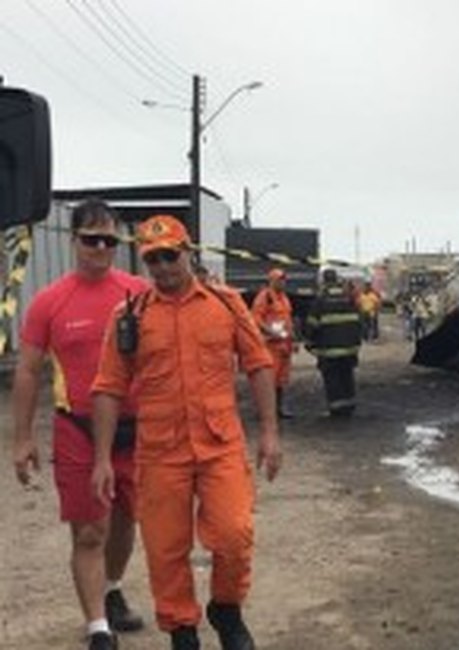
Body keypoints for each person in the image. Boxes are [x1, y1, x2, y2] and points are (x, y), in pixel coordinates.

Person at [89, 214, 283, 650]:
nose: (162, 266)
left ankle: (227, 609)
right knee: (165, 549)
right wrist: (102, 458)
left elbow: (259, 364)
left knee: (233, 535)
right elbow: (108, 387)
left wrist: (270, 432)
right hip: (160, 451)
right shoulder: (130, 316)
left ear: (188, 253)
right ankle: (182, 629)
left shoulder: (226, 303)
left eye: (169, 255)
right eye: (152, 259)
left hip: (220, 445)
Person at [11, 199, 147, 650]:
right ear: (74, 241)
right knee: (91, 529)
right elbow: (28, 371)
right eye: (92, 240)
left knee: (127, 521)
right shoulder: (50, 302)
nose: (101, 248)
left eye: (110, 240)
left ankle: (110, 590)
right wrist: (23, 437)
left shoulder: (137, 292)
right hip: (78, 430)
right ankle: (97, 629)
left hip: (135, 428)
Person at [304, 268, 361, 417]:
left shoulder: (321, 300)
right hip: (349, 349)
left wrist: (309, 342)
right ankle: (349, 406)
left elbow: (312, 324)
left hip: (329, 350)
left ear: (323, 280)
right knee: (347, 376)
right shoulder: (349, 298)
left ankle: (337, 410)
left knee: (333, 379)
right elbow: (358, 322)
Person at [251, 268, 295, 419]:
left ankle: (279, 409)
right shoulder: (265, 297)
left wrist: (293, 339)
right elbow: (256, 318)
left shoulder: (284, 297)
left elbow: (288, 319)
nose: (283, 283)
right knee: (269, 380)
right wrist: (270, 331)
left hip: (284, 345)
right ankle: (265, 411)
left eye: (284, 280)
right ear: (272, 281)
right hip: (271, 345)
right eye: (280, 280)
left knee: (282, 380)